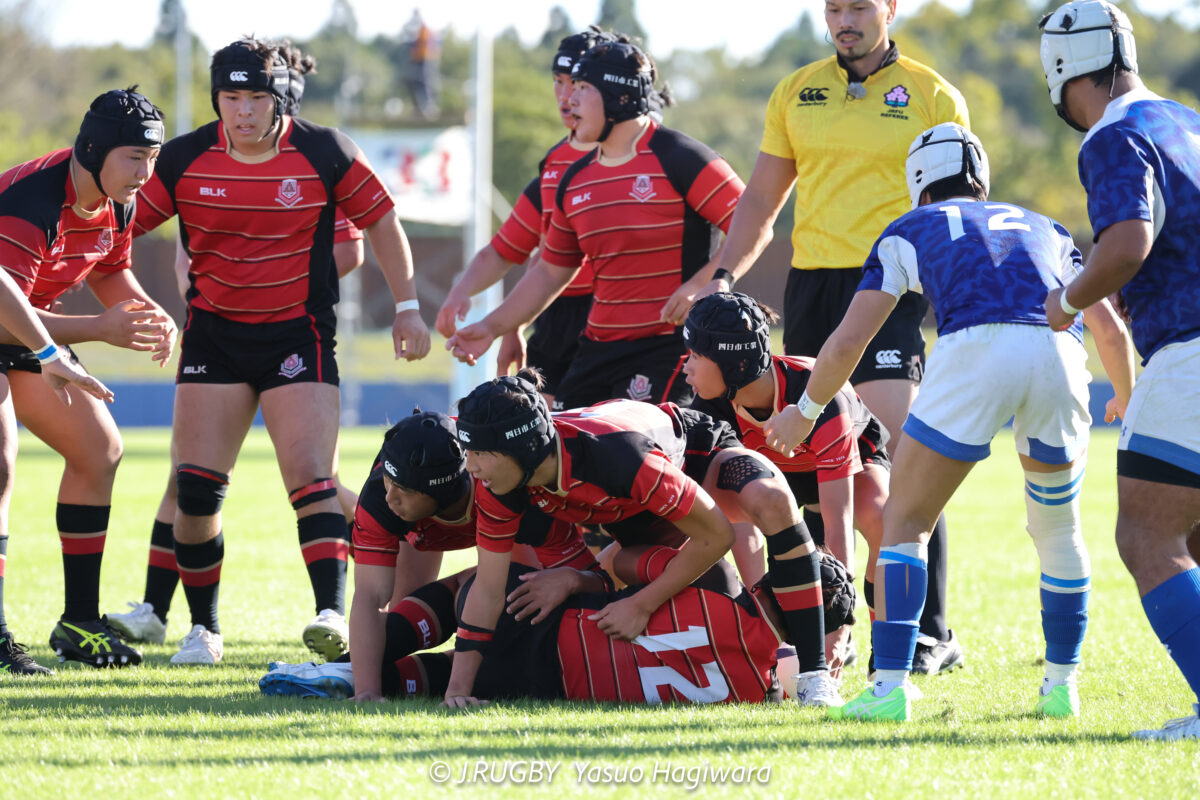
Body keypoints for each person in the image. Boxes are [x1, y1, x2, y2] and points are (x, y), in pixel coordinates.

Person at [770, 123, 1134, 721]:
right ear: (981, 177)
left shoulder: (909, 227)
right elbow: (1109, 330)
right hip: (1060, 353)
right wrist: (1123, 394)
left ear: (918, 182)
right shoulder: (1046, 226)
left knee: (906, 521)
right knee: (1058, 529)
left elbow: (847, 342)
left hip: (974, 349)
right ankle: (1061, 686)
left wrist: (804, 411)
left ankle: (889, 688)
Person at [132, 38, 430, 666]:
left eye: (256, 97)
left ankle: (330, 612)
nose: (243, 111)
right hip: (214, 338)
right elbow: (114, 227)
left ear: (278, 98)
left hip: (298, 337)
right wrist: (124, 300)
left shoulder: (325, 151)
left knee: (313, 480)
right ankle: (202, 630)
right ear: (216, 98)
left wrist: (407, 307)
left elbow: (380, 222)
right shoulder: (183, 158)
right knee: (195, 489)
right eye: (231, 97)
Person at [695, 0, 971, 675]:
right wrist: (724, 274)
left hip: (892, 281)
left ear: (890, 9)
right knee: (809, 457)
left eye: (859, 7)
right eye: (834, 7)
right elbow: (761, 201)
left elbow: (957, 207)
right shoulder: (796, 91)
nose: (845, 19)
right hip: (811, 288)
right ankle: (824, 626)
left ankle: (929, 631)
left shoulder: (933, 95)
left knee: (902, 456)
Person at [1039, 0, 1200, 740]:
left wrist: (1068, 300)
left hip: (1189, 347)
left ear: (1062, 68)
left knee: (1145, 536)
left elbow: (1127, 243)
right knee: (1193, 534)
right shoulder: (1185, 120)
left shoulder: (1113, 134)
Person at [447, 41, 742, 411]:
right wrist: (492, 326)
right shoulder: (574, 179)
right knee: (561, 444)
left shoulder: (681, 157)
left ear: (620, 98)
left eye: (583, 88)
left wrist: (707, 282)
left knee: (638, 441)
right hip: (596, 349)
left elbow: (752, 220)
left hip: (667, 346)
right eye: (567, 86)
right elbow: (549, 272)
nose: (569, 99)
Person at [0, 87, 177, 674]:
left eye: (153, 159)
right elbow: (3, 304)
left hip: (27, 335)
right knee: (0, 464)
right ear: (95, 150)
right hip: (13, 327)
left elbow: (110, 269)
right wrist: (93, 332)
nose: (145, 174)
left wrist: (148, 314)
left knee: (98, 450)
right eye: (135, 158)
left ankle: (79, 622)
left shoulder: (116, 199)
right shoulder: (30, 201)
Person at [682, 291, 888, 667]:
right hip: (774, 477)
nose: (686, 366)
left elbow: (838, 522)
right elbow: (732, 523)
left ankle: (887, 654)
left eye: (696, 355)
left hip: (846, 465)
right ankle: (770, 634)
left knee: (881, 520)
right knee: (726, 512)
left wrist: (838, 626)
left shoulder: (818, 394)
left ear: (735, 363)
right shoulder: (709, 408)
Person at [437, 27, 615, 405]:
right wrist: (469, 299)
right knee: (546, 431)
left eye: (576, 84)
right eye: (558, 81)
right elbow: (510, 250)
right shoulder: (554, 164)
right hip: (555, 314)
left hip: (616, 313)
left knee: (616, 429)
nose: (565, 96)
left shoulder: (641, 154)